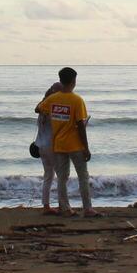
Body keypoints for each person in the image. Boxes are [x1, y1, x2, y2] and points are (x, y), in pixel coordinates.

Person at [34, 67, 93, 217]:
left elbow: (37, 109)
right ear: (74, 81)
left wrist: (47, 97)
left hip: (59, 144)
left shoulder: (52, 99)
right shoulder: (77, 100)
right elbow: (80, 125)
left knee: (62, 178)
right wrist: (86, 147)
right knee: (83, 176)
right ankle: (87, 209)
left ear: (60, 80)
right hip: (75, 144)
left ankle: (65, 208)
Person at [34, 81, 62, 213]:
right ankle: (63, 204)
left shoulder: (41, 108)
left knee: (48, 175)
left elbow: (37, 108)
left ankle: (46, 206)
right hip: (52, 146)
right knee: (61, 175)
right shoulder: (54, 108)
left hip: (41, 145)